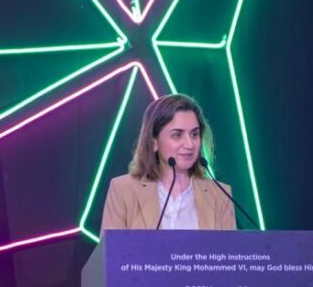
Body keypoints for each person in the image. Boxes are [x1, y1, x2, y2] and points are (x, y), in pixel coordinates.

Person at [101, 94, 236, 232]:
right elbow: (111, 246)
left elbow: (229, 247)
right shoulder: (123, 190)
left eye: (194, 134)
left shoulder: (220, 195)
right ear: (154, 142)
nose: (190, 144)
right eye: (177, 135)